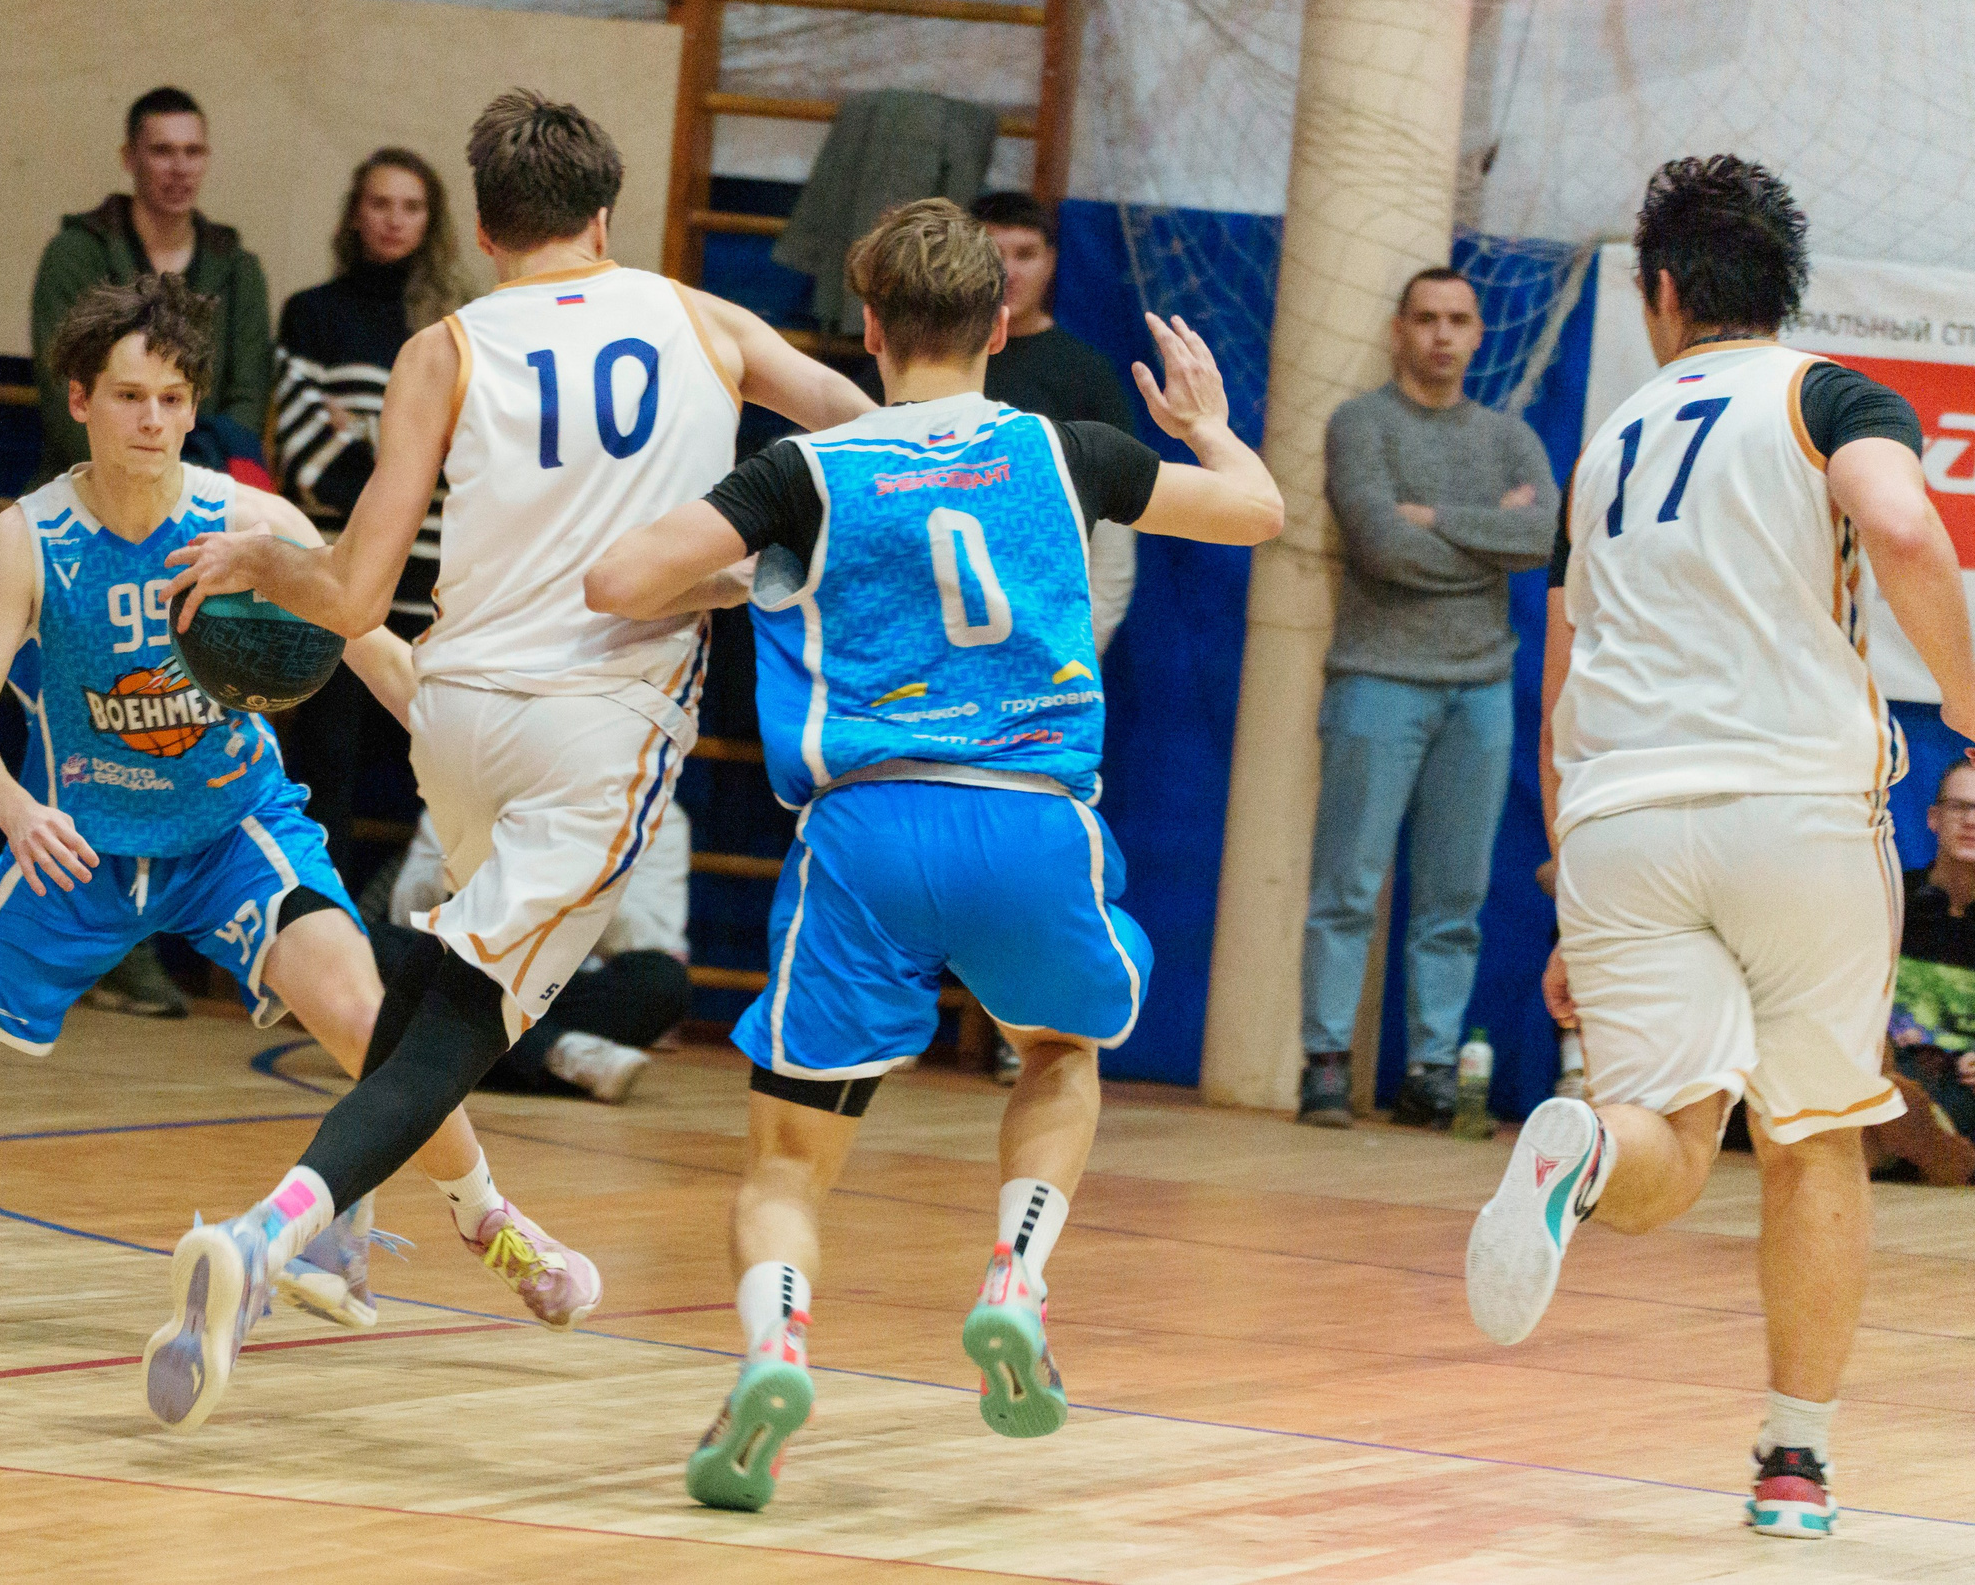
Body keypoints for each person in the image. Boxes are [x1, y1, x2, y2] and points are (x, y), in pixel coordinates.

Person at [144, 89, 877, 1433]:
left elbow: (358, 595)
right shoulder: (704, 319)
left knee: (432, 990)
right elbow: (862, 429)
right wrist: (755, 565)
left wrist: (258, 557)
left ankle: (485, 1227)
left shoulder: (446, 343)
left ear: (482, 228)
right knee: (464, 1031)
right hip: (597, 726)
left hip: (457, 713)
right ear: (608, 212)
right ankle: (271, 1236)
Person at [0, 276, 592, 1358]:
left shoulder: (249, 521)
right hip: (82, 841)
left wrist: (485, 757)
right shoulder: (29, 537)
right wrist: (13, 806)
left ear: (194, 408)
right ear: (81, 399)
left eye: (174, 398)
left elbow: (375, 653)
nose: (153, 419)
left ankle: (491, 1222)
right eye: (130, 396)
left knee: (363, 1014)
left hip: (235, 827)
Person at [582, 198, 1283, 1510]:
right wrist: (1201, 421)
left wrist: (749, 573)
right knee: (1059, 1052)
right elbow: (1258, 513)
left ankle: (776, 1344)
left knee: (790, 1161)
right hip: (1030, 816)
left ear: (868, 329)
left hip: (869, 829)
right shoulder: (1062, 449)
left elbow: (619, 581)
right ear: (1000, 325)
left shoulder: (811, 468)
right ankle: (1016, 1276)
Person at [1469, 155, 1968, 1540]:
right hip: (1796, 814)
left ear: (1666, 292)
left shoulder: (1610, 440)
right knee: (1814, 1138)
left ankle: (1580, 1149)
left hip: (1624, 822)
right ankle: (1794, 1461)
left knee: (1671, 1149)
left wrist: (1571, 885)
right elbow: (1904, 522)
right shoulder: (1829, 396)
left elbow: (1566, 675)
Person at [29, 85, 278, 1020]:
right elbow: (62, 391)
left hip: (203, 513)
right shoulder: (76, 253)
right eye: (161, 149)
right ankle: (100, 938)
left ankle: (242, 930)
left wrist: (212, 489)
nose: (178, 164)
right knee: (86, 737)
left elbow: (243, 389)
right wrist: (122, 485)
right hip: (93, 522)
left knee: (206, 729)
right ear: (131, 157)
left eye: (192, 150)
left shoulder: (234, 265)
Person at [1297, 267, 1557, 1129]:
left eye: (1459, 320)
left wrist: (1432, 516)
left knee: (1456, 896)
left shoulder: (1511, 437)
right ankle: (1326, 1064)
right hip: (1377, 676)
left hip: (1480, 687)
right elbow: (1379, 546)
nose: (1443, 335)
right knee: (1348, 883)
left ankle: (1431, 1070)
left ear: (1479, 333)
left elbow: (1540, 536)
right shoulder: (1360, 424)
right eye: (1426, 319)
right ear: (1399, 329)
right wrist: (1481, 525)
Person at [973, 189, 1142, 1084]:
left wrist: (1076, 648)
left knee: (1032, 838)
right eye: (990, 250)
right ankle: (879, 1016)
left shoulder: (1081, 375)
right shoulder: (940, 364)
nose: (1008, 269)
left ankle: (1026, 1026)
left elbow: (1115, 536)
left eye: (1027, 252)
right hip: (925, 657)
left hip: (1039, 656)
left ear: (1052, 263)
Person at [274, 148, 475, 873]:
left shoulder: (463, 329)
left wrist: (363, 436)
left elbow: (476, 464)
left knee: (444, 787)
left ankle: (407, 952)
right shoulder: (311, 314)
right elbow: (313, 465)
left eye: (411, 207)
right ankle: (312, 937)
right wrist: (414, 458)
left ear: (433, 221)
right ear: (356, 213)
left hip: (439, 590)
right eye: (380, 203)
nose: (394, 220)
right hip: (338, 586)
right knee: (325, 773)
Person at [377, 802, 694, 1103]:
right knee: (370, 945)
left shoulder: (658, 813)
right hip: (461, 965)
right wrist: (476, 861)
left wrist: (568, 873)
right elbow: (406, 913)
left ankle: (521, 1049)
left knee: (664, 982)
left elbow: (651, 938)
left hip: (563, 986)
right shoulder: (466, 782)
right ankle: (561, 1054)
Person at [1888, 758, 1975, 1141]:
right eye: (1961, 807)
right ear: (1933, 818)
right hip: (1894, 1073)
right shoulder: (1889, 899)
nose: (1971, 821)